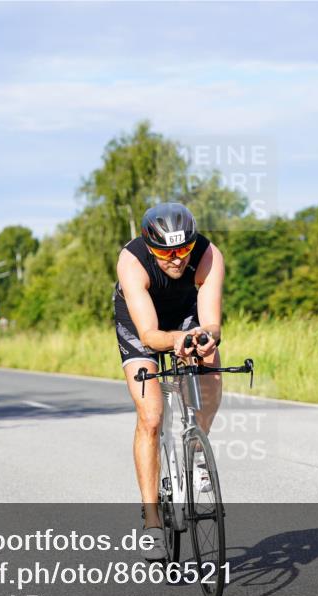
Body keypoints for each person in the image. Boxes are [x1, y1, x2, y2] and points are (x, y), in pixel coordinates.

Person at [113, 202, 225, 561]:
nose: (176, 259)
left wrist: (204, 338)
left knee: (210, 361)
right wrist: (174, 341)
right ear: (150, 246)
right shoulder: (132, 262)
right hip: (140, 324)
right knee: (151, 416)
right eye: (165, 252)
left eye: (183, 250)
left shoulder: (208, 255)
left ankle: (196, 447)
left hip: (185, 313)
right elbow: (148, 334)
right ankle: (151, 522)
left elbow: (211, 323)